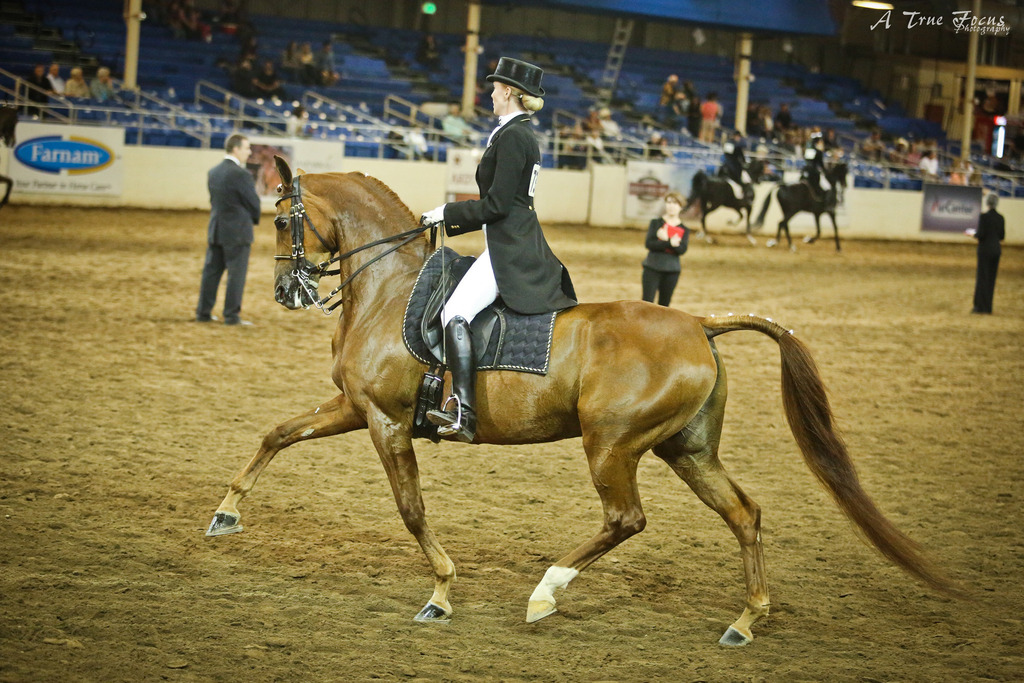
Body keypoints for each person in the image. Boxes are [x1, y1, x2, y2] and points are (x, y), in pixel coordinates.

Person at [419, 56, 577, 442]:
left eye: (494, 87)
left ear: (508, 91)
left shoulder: (514, 136)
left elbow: (496, 206)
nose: (489, 93)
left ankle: (464, 412)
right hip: (509, 240)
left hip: (512, 247)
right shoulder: (514, 132)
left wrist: (446, 212)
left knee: (454, 312)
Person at [196, 133, 261, 326]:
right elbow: (253, 203)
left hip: (216, 228)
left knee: (211, 272)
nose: (249, 152)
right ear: (236, 149)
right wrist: (252, 219)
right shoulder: (241, 174)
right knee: (236, 275)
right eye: (247, 148)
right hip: (238, 231)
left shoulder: (213, 171)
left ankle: (203, 312)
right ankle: (231, 315)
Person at [641, 192, 689, 307]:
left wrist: (665, 240)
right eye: (669, 202)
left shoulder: (684, 229)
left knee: (664, 306)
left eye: (675, 203)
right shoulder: (656, 223)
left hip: (672, 270)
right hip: (652, 267)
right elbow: (649, 244)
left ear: (681, 207)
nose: (671, 206)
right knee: (647, 304)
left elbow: (682, 250)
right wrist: (670, 243)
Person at [966, 193, 1005, 314]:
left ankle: (979, 307)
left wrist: (971, 234)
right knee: (991, 279)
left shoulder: (983, 217)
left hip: (985, 250)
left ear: (987, 203)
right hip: (996, 250)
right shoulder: (1001, 218)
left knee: (982, 277)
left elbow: (980, 235)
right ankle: (988, 307)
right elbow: (1002, 236)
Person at [721, 130, 752, 200]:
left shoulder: (732, 144)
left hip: (729, 166)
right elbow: (730, 156)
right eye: (738, 137)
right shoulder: (734, 145)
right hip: (733, 168)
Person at [803, 134, 830, 199]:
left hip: (805, 172)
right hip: (814, 174)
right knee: (828, 187)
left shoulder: (808, 150)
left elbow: (807, 161)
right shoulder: (818, 152)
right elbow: (821, 165)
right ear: (818, 143)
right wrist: (827, 172)